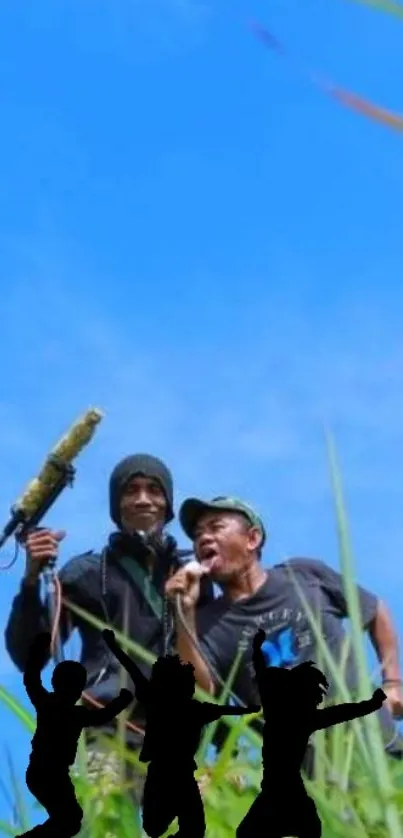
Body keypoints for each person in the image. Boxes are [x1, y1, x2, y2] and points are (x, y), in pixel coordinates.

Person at [5, 454, 215, 808]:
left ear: (167, 505)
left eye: (154, 490)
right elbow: (32, 656)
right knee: (106, 828)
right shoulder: (85, 572)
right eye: (131, 490)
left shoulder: (193, 574)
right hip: (105, 734)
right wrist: (30, 581)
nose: (143, 499)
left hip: (176, 742)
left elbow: (215, 661)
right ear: (117, 506)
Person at [165, 495, 403, 777]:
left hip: (373, 742)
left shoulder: (303, 574)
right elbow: (202, 691)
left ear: (252, 539)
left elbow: (374, 610)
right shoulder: (206, 623)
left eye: (216, 527)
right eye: (198, 534)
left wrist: (393, 681)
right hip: (303, 773)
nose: (204, 538)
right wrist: (184, 611)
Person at [101, 629, 259, 838]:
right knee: (166, 826)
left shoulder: (160, 701)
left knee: (171, 826)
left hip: (171, 775)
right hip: (168, 775)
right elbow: (229, 711)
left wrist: (113, 645)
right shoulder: (183, 706)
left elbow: (133, 670)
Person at [237, 628, 387, 838]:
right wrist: (372, 704)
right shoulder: (296, 717)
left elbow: (341, 712)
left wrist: (372, 704)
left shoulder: (284, 715)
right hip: (281, 791)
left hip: (284, 790)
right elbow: (341, 712)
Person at [20, 632, 133, 838]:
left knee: (69, 820)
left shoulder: (47, 703)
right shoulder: (73, 713)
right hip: (50, 774)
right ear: (79, 688)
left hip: (42, 772)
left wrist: (38, 651)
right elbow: (103, 716)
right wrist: (123, 700)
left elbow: (31, 679)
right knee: (70, 820)